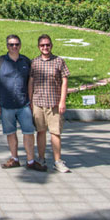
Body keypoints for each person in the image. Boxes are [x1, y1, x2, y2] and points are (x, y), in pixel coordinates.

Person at [0, 34, 43, 171]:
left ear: (20, 45)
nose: (14, 47)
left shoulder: (26, 61)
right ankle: (14, 159)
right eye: (11, 44)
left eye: (16, 44)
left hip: (23, 103)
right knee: (10, 132)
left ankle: (30, 160)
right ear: (7, 46)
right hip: (6, 104)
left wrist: (32, 101)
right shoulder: (0, 62)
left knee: (28, 132)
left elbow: (32, 81)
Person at [29, 34, 70, 173]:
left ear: (51, 45)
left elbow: (65, 81)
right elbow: (31, 82)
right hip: (38, 102)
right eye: (42, 45)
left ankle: (57, 161)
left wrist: (62, 101)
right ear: (38, 47)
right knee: (40, 132)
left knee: (55, 133)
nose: (45, 47)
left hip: (54, 103)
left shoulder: (59, 61)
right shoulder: (34, 62)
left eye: (47, 45)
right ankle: (41, 159)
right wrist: (30, 101)